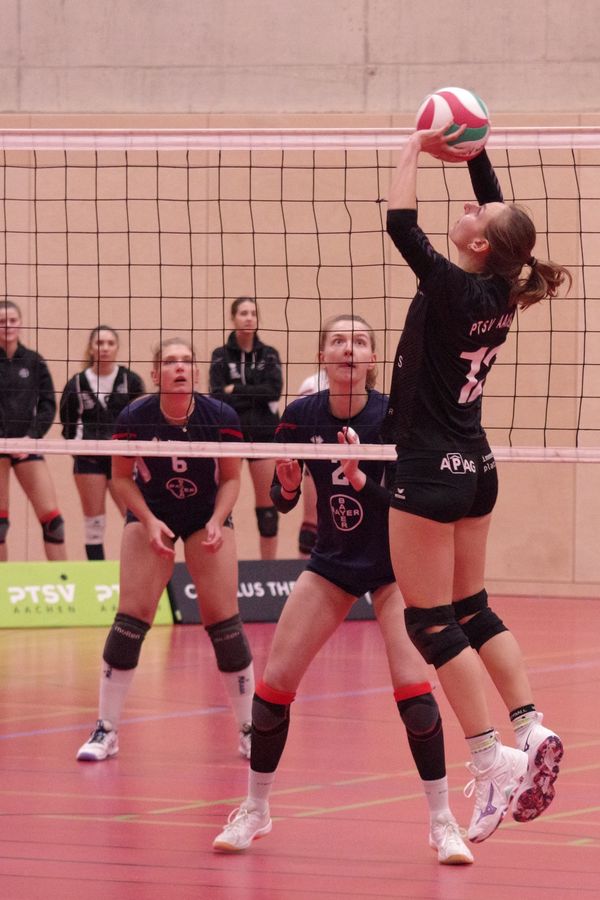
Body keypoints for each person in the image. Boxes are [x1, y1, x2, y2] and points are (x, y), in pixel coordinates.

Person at [213, 314, 474, 865]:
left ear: (373, 359)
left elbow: (412, 502)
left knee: (414, 694)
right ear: (322, 356)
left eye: (359, 341)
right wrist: (287, 488)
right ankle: (255, 809)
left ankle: (442, 821)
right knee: (274, 686)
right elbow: (283, 501)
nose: (348, 349)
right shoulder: (300, 416)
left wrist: (362, 478)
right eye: (337, 341)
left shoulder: (397, 416)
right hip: (331, 565)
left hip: (396, 569)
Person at [382, 124, 571, 843]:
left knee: (430, 622)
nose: (468, 209)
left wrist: (414, 147)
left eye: (476, 215)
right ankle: (531, 723)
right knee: (473, 606)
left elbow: (401, 224)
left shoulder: (458, 287)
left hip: (431, 468)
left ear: (483, 244)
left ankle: (493, 760)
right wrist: (475, 150)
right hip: (476, 467)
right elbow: (496, 209)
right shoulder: (501, 284)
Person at [76, 337, 255, 762]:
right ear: (155, 375)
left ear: (196, 372)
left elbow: (232, 478)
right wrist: (147, 520)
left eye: (186, 361)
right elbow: (121, 479)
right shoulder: (134, 416)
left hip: (206, 515)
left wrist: (218, 520)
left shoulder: (221, 416)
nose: (179, 367)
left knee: (224, 620)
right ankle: (106, 729)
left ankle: (249, 729)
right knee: (132, 616)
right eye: (170, 362)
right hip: (151, 512)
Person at [60, 325, 145, 560]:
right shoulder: (77, 383)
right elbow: (68, 423)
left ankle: (139, 568)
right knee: (94, 524)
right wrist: (80, 448)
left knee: (136, 518)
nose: (105, 348)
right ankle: (97, 573)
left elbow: (143, 419)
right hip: (89, 459)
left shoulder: (130, 381)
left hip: (122, 459)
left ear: (117, 348)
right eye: (99, 343)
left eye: (110, 343)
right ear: (91, 348)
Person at [209, 297, 283, 560]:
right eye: (243, 313)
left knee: (268, 511)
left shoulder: (269, 354)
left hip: (263, 436)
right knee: (221, 507)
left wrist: (236, 390)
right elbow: (217, 397)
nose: (249, 317)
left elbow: (273, 391)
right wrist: (253, 393)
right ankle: (222, 562)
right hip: (230, 436)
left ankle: (268, 569)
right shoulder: (220, 355)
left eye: (253, 313)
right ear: (233, 319)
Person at [0, 299, 66, 561]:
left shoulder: (34, 361)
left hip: (27, 445)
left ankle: (64, 580)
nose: (7, 325)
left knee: (54, 524)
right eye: (2, 321)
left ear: (20, 324)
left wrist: (31, 438)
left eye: (12, 320)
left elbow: (48, 404)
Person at [295, 368, 329, 558]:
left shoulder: (362, 386)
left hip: (353, 462)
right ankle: (305, 570)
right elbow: (301, 428)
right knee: (310, 530)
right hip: (317, 462)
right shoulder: (311, 385)